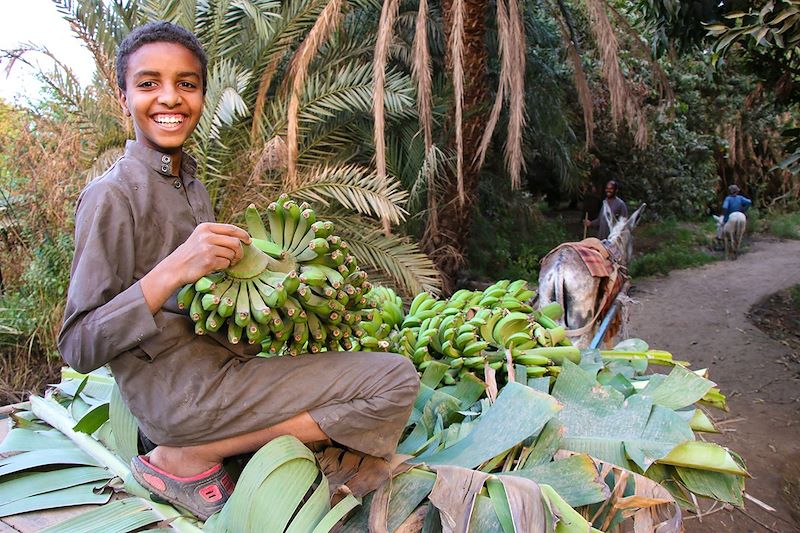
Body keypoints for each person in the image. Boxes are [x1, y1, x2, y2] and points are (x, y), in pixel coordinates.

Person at [58, 21, 419, 521]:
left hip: (223, 368)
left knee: (377, 367)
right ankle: (192, 454)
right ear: (123, 97)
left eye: (187, 84)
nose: (170, 98)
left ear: (202, 95)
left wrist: (268, 286)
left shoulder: (190, 184)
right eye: (148, 84)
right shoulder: (111, 196)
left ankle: (213, 445)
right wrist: (173, 269)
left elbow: (204, 302)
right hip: (178, 395)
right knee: (395, 381)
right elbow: (78, 345)